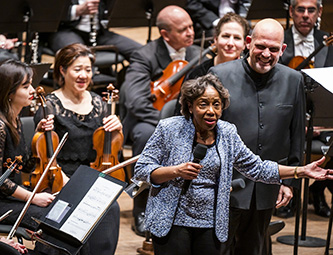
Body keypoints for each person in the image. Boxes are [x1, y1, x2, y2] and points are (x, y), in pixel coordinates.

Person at [132, 73, 330, 255]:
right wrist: (175, 171)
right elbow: (142, 169)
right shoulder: (170, 129)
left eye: (216, 104)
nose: (211, 111)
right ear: (190, 106)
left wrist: (301, 170)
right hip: (171, 220)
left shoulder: (227, 133)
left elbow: (257, 168)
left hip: (210, 222)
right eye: (203, 104)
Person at [209, 18, 305, 255]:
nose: (266, 54)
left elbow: (296, 136)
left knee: (253, 249)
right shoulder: (219, 75)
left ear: (282, 50)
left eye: (273, 49)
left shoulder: (294, 80)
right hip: (225, 184)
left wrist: (289, 182)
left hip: (268, 186)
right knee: (217, 249)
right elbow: (206, 133)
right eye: (261, 46)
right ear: (249, 43)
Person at [119, 5, 202, 237]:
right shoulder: (144, 55)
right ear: (165, 34)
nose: (190, 33)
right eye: (183, 29)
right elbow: (135, 101)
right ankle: (141, 208)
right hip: (150, 119)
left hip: (188, 119)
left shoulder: (198, 52)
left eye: (191, 26)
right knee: (146, 137)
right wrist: (168, 126)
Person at [34, 43, 122, 254]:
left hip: (92, 176)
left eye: (88, 69)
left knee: (111, 208)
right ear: (62, 71)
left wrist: (118, 129)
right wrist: (68, 182)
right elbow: (45, 156)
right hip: (60, 177)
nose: (84, 75)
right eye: (77, 69)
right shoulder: (49, 106)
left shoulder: (100, 104)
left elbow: (111, 150)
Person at [279, 0, 333, 218]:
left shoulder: (329, 40)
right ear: (291, 11)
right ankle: (291, 192)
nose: (305, 15)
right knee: (289, 142)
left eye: (311, 10)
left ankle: (317, 191)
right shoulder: (278, 39)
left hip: (322, 118)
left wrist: (323, 119)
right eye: (300, 9)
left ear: (319, 12)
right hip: (288, 118)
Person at [0, 59, 63, 230]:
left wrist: (38, 135)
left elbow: (26, 167)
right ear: (10, 92)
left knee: (63, 213)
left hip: (14, 196)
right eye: (26, 86)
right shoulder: (1, 127)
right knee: (55, 222)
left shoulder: (16, 120)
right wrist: (32, 197)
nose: (33, 91)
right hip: (3, 203)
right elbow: (0, 181)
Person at [46, 0, 141, 61]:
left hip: (99, 33)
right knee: (78, 56)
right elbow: (47, 10)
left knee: (140, 52)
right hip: (66, 30)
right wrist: (77, 10)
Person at [186, 0, 252, 39]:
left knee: (253, 35)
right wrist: (215, 21)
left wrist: (240, 20)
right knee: (220, 36)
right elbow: (192, 5)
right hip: (209, 24)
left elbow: (246, 3)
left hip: (236, 21)